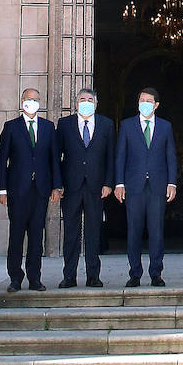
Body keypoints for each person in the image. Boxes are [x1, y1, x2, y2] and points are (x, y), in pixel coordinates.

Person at [0, 87, 61, 293]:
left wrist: (56, 186)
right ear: (22, 101)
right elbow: (1, 160)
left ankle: (35, 277)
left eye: (35, 99)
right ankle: (15, 277)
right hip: (17, 190)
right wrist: (2, 189)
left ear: (40, 103)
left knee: (36, 235)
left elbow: (54, 159)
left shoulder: (48, 127)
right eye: (28, 99)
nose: (31, 102)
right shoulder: (11, 127)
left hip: (40, 189)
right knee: (16, 234)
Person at [52, 86, 115, 289]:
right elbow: (56, 157)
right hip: (71, 186)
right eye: (82, 99)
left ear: (96, 104)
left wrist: (108, 183)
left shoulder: (106, 124)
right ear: (76, 103)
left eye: (90, 99)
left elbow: (110, 157)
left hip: (96, 187)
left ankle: (93, 276)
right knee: (71, 232)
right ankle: (69, 276)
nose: (86, 102)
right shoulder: (64, 124)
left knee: (93, 232)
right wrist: (58, 184)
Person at [114, 87, 177, 288]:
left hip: (157, 186)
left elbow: (170, 156)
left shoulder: (165, 127)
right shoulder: (127, 125)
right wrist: (119, 183)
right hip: (134, 186)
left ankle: (156, 273)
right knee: (134, 230)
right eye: (142, 100)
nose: (145, 103)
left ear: (156, 105)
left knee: (156, 231)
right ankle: (134, 273)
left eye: (149, 100)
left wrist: (172, 182)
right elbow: (120, 156)